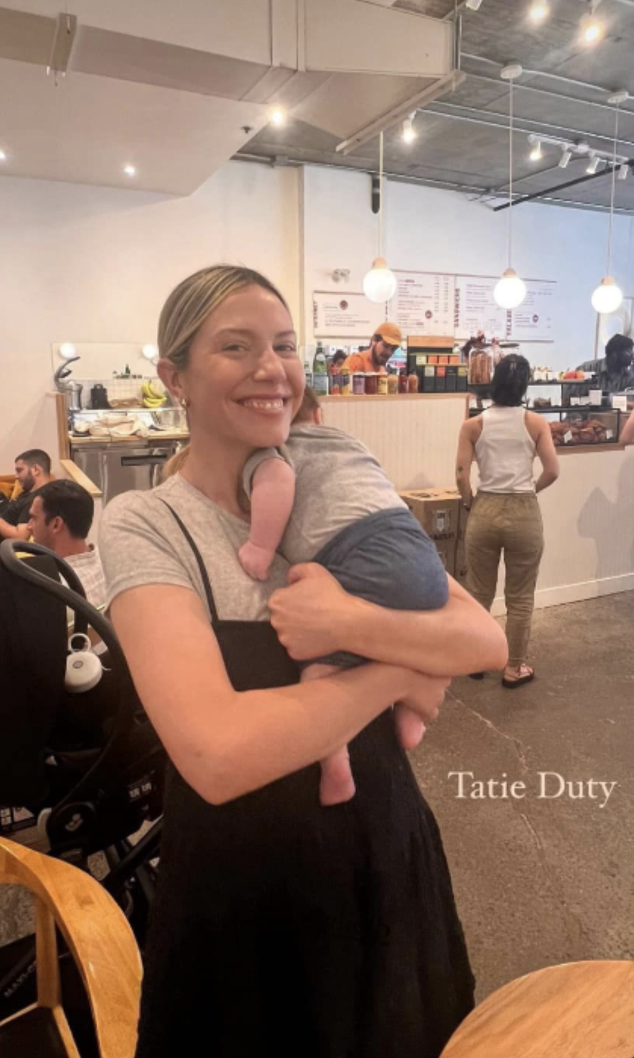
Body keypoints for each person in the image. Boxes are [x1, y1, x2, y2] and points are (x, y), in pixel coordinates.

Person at [99, 265, 507, 1058]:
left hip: (387, 845)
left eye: (284, 345)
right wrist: (400, 666)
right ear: (173, 377)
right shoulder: (147, 522)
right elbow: (216, 753)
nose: (270, 369)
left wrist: (349, 622)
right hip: (249, 886)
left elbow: (483, 640)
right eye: (236, 346)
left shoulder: (327, 471)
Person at [236, 397, 457, 806]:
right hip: (417, 549)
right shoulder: (347, 441)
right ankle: (411, 717)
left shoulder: (272, 452)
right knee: (400, 642)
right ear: (320, 416)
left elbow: (278, 484)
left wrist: (259, 547)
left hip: (360, 555)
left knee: (321, 665)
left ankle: (336, 765)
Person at [456, 354, 560, 689]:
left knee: (478, 591)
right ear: (525, 385)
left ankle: (475, 660)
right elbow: (553, 471)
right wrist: (530, 489)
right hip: (524, 511)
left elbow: (461, 475)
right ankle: (514, 669)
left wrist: (472, 502)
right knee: (520, 596)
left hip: (485, 508)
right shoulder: (536, 423)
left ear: (493, 382)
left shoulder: (474, 425)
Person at [27, 479, 106, 610]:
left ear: (56, 525)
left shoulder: (52, 592)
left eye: (34, 518)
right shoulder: (110, 568)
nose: (29, 526)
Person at [0, 449, 54, 541]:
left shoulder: (38, 500)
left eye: (19, 470)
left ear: (36, 470)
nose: (16, 476)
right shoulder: (29, 491)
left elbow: (20, 536)